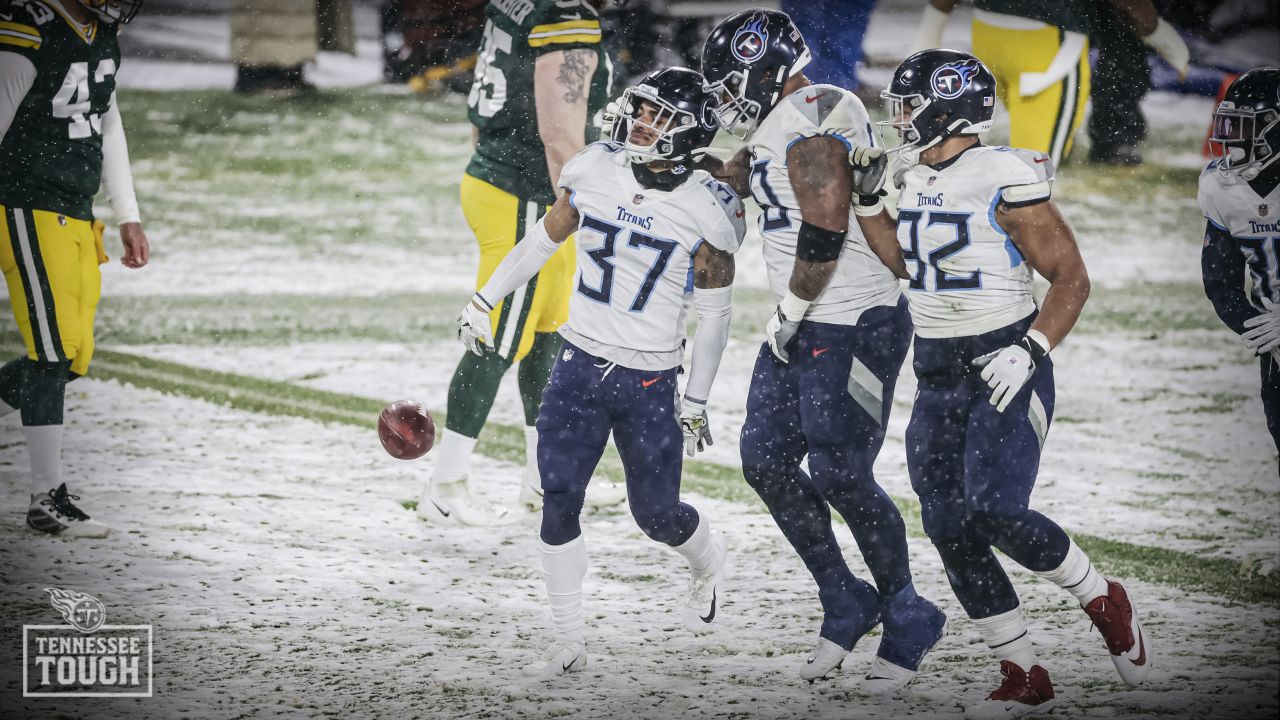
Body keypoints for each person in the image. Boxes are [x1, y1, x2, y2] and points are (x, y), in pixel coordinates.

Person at [875, 49, 1150, 718]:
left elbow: (1072, 277)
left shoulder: (1003, 174)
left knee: (997, 507)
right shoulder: (909, 178)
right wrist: (864, 205)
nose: (901, 120)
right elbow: (906, 266)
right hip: (936, 365)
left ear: (949, 109)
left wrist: (1031, 347)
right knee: (946, 520)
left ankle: (1100, 597)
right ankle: (1023, 668)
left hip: (1005, 359)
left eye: (910, 106)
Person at [455, 66, 742, 676]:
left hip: (649, 380)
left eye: (659, 117)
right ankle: (567, 642)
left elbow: (715, 314)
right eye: (640, 110)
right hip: (578, 363)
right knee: (558, 500)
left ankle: (708, 557)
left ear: (688, 133)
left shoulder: (705, 207)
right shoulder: (594, 169)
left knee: (657, 516)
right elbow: (542, 239)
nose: (641, 123)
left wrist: (694, 399)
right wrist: (486, 299)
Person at [699, 9, 946, 693]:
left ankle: (907, 610)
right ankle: (845, 596)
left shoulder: (815, 112)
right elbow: (755, 180)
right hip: (805, 322)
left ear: (762, 67)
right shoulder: (777, 122)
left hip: (853, 320)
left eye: (729, 84)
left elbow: (827, 227)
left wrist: (789, 309)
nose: (726, 98)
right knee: (766, 459)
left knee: (841, 471)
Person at [419, 0, 624, 526]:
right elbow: (559, 135)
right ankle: (446, 483)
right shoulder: (564, 17)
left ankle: (543, 478)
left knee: (549, 332)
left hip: (504, 182)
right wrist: (581, 214)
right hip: (531, 197)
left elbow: (495, 102)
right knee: (497, 336)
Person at [0, 0, 150, 538]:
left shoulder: (98, 30)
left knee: (72, 357)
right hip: (27, 200)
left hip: (74, 208)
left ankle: (48, 492)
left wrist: (127, 213)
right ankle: (47, 496)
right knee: (52, 351)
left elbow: (106, 122)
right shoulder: (32, 29)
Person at [910, 0, 1188, 167]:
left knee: (1009, 162)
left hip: (988, 37)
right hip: (1046, 50)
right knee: (1032, 179)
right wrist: (1162, 35)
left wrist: (929, 30)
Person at [1199, 67, 1280, 454]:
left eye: (1245, 129)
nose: (1232, 142)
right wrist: (1261, 330)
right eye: (1230, 127)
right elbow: (1221, 285)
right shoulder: (1222, 191)